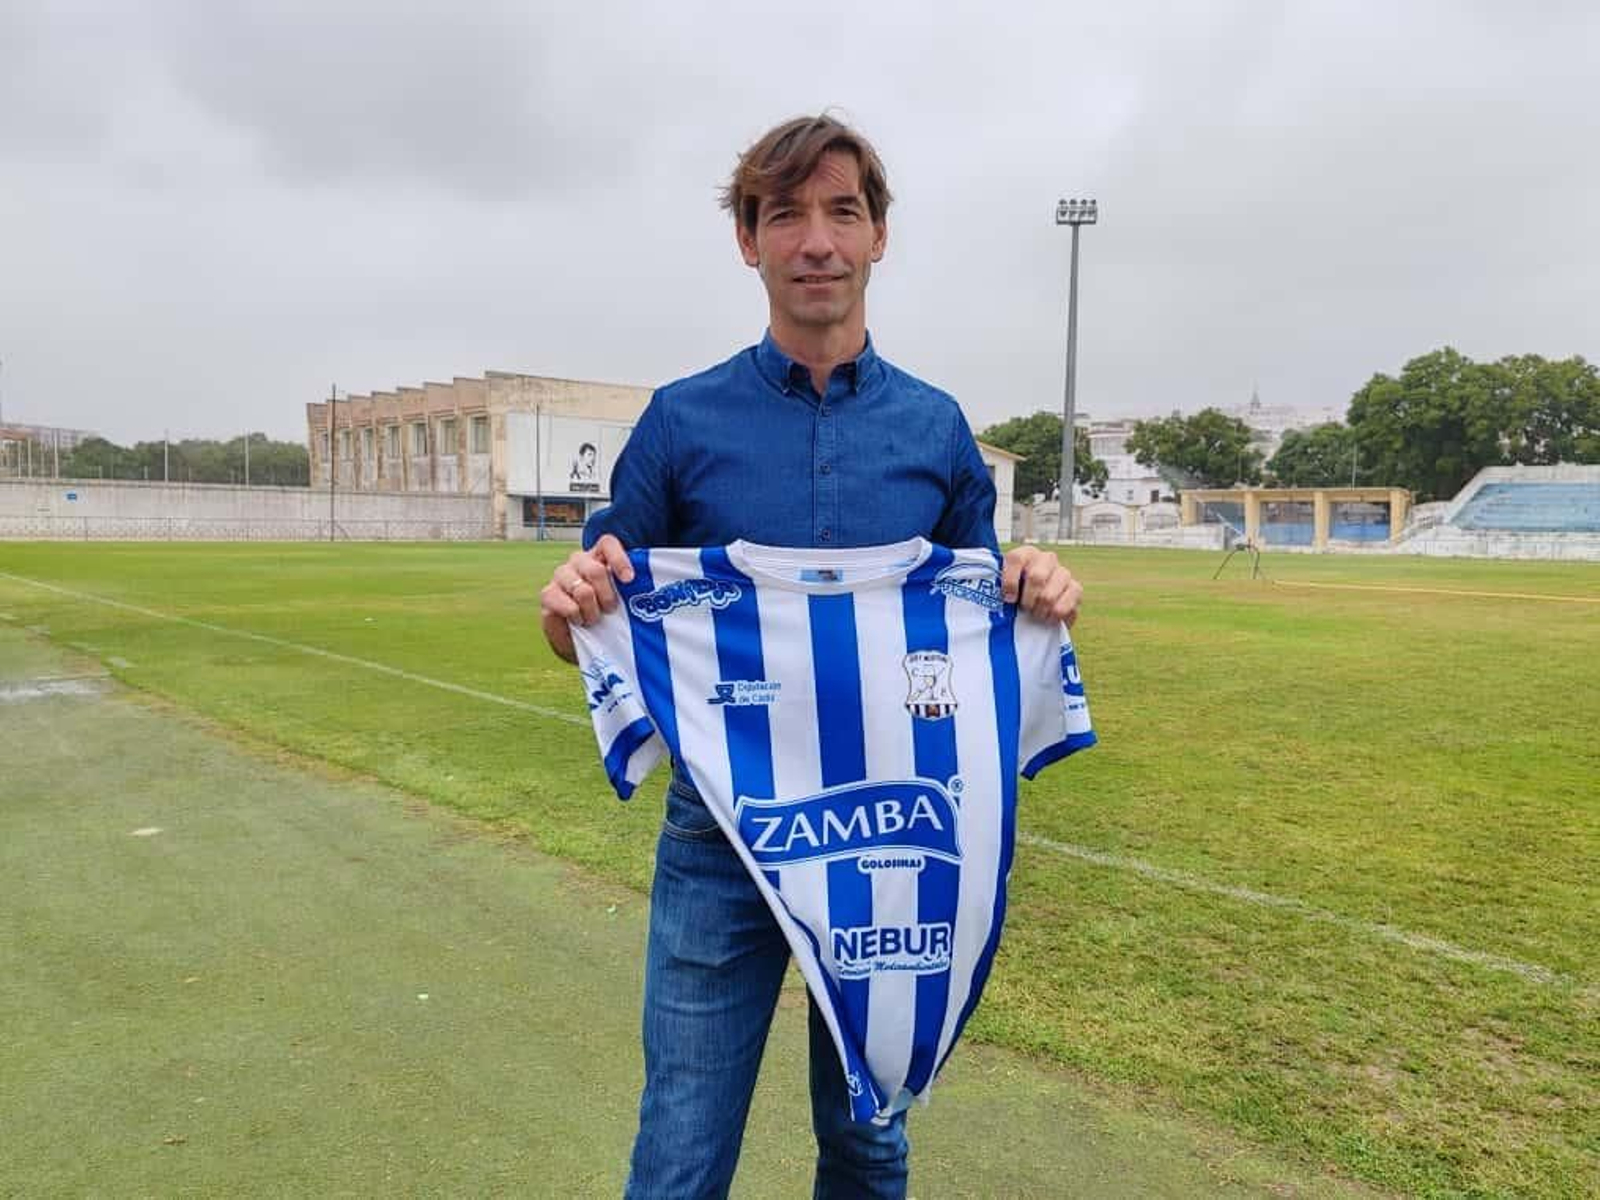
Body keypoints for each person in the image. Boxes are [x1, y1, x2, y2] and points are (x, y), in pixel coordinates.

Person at [539, 114, 1083, 1200]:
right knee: (683, 1146)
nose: (817, 241)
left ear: (880, 236)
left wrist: (1040, 589)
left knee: (868, 1136)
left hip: (890, 834)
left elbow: (979, 616)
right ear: (750, 242)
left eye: (842, 212)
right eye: (786, 214)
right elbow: (591, 617)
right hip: (721, 839)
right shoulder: (682, 422)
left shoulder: (934, 429)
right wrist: (563, 608)